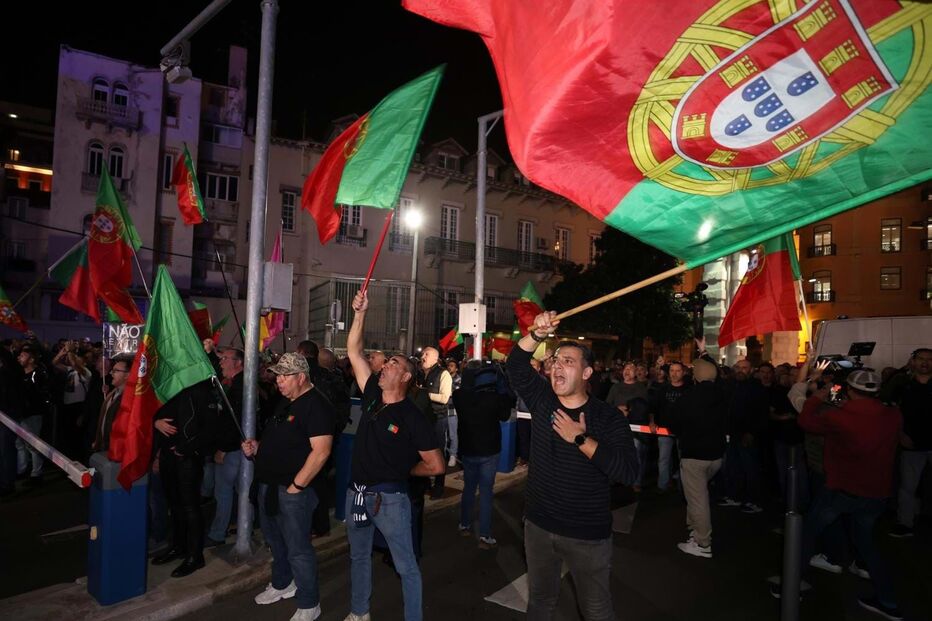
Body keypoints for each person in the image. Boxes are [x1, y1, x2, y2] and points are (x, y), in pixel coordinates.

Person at [506, 310, 638, 620]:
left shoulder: (607, 418)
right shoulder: (543, 400)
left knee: (596, 610)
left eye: (568, 361)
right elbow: (515, 366)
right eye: (555, 361)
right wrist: (537, 334)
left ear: (588, 373)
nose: (557, 367)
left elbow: (628, 472)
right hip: (538, 526)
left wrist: (581, 440)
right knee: (539, 603)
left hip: (587, 535)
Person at [343, 289, 444, 621]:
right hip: (356, 494)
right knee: (358, 557)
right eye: (386, 361)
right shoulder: (372, 393)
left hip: (390, 501)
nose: (385, 365)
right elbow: (353, 351)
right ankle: (360, 613)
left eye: (393, 364)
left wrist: (404, 471)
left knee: (406, 566)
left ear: (405, 376)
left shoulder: (413, 417)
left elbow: (435, 464)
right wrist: (359, 313)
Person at [783, 370, 903, 620]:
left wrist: (818, 396)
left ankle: (793, 587)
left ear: (848, 390)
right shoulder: (893, 414)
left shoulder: (841, 416)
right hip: (877, 492)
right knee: (867, 544)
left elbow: (806, 422)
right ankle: (889, 601)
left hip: (842, 488)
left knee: (805, 535)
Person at [243, 353, 335, 621]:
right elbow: (282, 442)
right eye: (278, 375)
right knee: (275, 542)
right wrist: (257, 448)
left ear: (301, 377)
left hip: (294, 491)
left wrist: (297, 485)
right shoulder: (286, 403)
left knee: (298, 548)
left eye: (284, 376)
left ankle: (309, 602)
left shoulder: (316, 405)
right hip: (270, 486)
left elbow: (321, 452)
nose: (278, 380)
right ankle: (283, 584)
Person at [656, 356, 725, 557]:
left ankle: (703, 543)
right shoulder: (722, 393)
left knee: (697, 499)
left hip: (694, 455)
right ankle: (695, 529)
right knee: (700, 495)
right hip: (717, 455)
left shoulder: (689, 397)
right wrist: (705, 353)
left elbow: (673, 424)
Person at [151, 380, 220, 578]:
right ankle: (178, 547)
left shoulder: (200, 390)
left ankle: (195, 555)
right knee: (175, 504)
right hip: (167, 455)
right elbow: (150, 411)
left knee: (190, 507)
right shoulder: (168, 386)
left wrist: (185, 448)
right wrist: (155, 422)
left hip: (188, 458)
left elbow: (210, 428)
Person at [454, 363, 514, 548]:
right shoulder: (493, 397)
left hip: (468, 450)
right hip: (489, 450)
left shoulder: (459, 397)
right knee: (487, 492)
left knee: (469, 489)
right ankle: (485, 535)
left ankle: (464, 524)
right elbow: (505, 415)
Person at [883, 348, 932, 538]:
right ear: (913, 361)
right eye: (921, 359)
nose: (925, 363)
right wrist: (901, 433)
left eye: (929, 359)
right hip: (911, 442)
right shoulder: (903, 385)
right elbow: (891, 409)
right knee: (908, 486)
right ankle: (905, 522)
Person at [206, 348, 247, 548]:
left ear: (238, 363)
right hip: (234, 447)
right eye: (220, 358)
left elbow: (236, 422)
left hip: (232, 449)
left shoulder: (241, 387)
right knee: (241, 491)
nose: (221, 362)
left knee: (224, 491)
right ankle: (243, 526)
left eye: (224, 359)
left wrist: (223, 448)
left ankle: (217, 533)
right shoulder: (231, 383)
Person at [606, 362, 649, 491]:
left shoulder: (641, 388)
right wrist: (617, 409)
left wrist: (631, 410)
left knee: (636, 454)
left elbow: (645, 407)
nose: (627, 371)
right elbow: (607, 404)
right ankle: (614, 477)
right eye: (626, 369)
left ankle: (636, 481)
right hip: (617, 426)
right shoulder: (616, 387)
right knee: (615, 453)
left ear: (636, 373)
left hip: (635, 428)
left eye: (631, 369)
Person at [651, 360, 692, 493]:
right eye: (672, 371)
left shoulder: (689, 390)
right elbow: (654, 407)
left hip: (683, 431)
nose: (674, 374)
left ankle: (682, 487)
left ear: (683, 372)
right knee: (663, 459)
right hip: (664, 430)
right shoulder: (662, 389)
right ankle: (662, 485)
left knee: (683, 461)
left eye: (677, 371)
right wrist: (652, 421)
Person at [418, 346, 452, 499]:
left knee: (438, 452)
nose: (422, 356)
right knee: (421, 451)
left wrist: (424, 394)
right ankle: (424, 484)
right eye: (423, 353)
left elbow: (444, 398)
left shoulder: (443, 374)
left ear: (435, 358)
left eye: (426, 354)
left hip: (438, 419)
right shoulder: (419, 374)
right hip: (423, 419)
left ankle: (438, 487)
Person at [17, 344, 52, 485]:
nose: (19, 358)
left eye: (23, 356)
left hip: (33, 414)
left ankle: (36, 474)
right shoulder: (19, 373)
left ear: (31, 360)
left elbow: (40, 395)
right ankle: (22, 469)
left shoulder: (39, 374)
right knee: (20, 443)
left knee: (33, 444)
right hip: (20, 414)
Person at [91, 354, 132, 452]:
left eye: (115, 371)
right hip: (105, 447)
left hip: (117, 450)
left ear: (127, 375)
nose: (110, 373)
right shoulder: (113, 393)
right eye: (112, 370)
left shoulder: (130, 398)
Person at [445, 359, 461, 467]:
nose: (449, 367)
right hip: (443, 410)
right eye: (448, 365)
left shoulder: (459, 379)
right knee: (443, 434)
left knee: (453, 434)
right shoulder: (445, 378)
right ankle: (444, 453)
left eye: (452, 365)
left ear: (456, 368)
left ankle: (453, 455)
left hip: (452, 410)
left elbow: (454, 395)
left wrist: (445, 394)